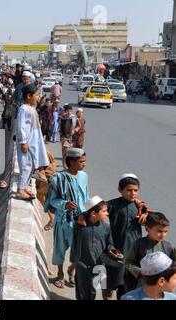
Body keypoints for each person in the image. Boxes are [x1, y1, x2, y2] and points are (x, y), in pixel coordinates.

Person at [44, 148, 89, 289]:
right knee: (60, 248)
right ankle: (60, 274)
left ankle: (72, 269)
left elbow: (85, 197)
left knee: (80, 251)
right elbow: (52, 201)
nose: (84, 164)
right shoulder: (58, 179)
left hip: (80, 219)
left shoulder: (84, 176)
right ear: (71, 162)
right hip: (63, 220)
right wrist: (65, 204)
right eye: (81, 161)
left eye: (84, 161)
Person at [101, 174, 149, 299]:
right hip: (114, 248)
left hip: (132, 250)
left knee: (126, 284)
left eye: (135, 190)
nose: (133, 193)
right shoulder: (111, 205)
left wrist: (146, 218)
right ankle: (107, 291)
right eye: (129, 190)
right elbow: (96, 214)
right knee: (109, 278)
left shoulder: (141, 207)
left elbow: (153, 222)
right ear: (120, 190)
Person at [70, 196, 117, 300]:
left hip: (98, 265)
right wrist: (73, 260)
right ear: (93, 213)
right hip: (82, 264)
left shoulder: (106, 227)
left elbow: (109, 244)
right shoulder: (80, 225)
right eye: (104, 211)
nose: (107, 213)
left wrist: (112, 250)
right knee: (82, 291)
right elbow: (74, 242)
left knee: (93, 290)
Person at [124, 212, 175, 292]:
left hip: (163, 288)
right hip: (143, 286)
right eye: (160, 231)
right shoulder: (139, 244)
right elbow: (128, 262)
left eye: (166, 232)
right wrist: (140, 272)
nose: (163, 235)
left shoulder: (168, 246)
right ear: (147, 229)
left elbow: (173, 265)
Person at [16, 84, 49, 200]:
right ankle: (20, 190)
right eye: (36, 95)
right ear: (29, 96)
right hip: (28, 141)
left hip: (34, 140)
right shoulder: (23, 109)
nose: (38, 97)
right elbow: (21, 127)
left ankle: (24, 187)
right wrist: (23, 142)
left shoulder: (31, 108)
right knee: (26, 165)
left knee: (31, 165)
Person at [60, 104, 77, 169]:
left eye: (70, 111)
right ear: (65, 111)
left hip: (71, 136)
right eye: (67, 111)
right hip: (64, 136)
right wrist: (61, 134)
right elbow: (60, 126)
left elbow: (78, 125)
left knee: (68, 150)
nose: (69, 112)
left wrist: (74, 130)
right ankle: (64, 164)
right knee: (65, 149)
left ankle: (65, 163)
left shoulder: (74, 117)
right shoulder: (62, 117)